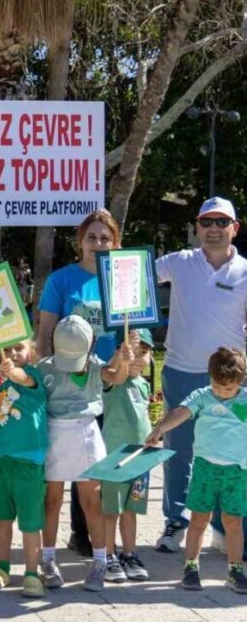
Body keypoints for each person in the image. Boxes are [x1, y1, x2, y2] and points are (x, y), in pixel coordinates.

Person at [154, 197, 247, 558]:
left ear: (234, 229)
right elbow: (131, 275)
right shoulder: (179, 261)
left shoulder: (245, 271)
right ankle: (175, 521)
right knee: (178, 451)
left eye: (221, 222)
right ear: (197, 227)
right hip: (180, 371)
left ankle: (225, 528)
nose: (213, 228)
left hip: (230, 383)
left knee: (230, 453)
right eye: (206, 221)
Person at [37, 209, 122, 558]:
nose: (97, 244)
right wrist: (44, 379)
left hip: (111, 379)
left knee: (97, 467)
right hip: (69, 385)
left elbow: (137, 330)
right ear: (80, 242)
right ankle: (76, 536)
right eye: (91, 237)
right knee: (66, 462)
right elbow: (44, 334)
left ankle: (100, 537)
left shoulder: (122, 281)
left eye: (105, 238)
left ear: (114, 243)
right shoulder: (61, 280)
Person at [37, 316, 132, 592]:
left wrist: (123, 360)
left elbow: (116, 377)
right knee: (51, 501)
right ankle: (48, 559)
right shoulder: (44, 367)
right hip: (54, 434)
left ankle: (101, 560)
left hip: (87, 434)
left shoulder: (93, 366)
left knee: (91, 501)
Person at [147, 346, 247, 594]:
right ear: (210, 377)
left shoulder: (245, 399)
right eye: (217, 386)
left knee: (233, 521)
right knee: (198, 519)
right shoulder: (202, 396)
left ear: (241, 380)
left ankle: (235, 570)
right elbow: (180, 412)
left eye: (229, 388)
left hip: (237, 471)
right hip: (205, 468)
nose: (223, 392)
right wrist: (160, 429)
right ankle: (191, 567)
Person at [0, 339, 49, 598]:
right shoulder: (2, 385)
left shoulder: (32, 376)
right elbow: (2, 421)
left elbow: (22, 378)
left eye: (19, 347)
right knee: (3, 517)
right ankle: (2, 567)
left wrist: (13, 372)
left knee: (30, 522)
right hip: (4, 459)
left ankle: (31, 573)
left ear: (32, 351)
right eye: (7, 349)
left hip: (29, 462)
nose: (12, 353)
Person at [100, 328, 155, 583]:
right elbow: (110, 372)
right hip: (115, 458)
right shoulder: (114, 380)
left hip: (140, 457)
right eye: (131, 353)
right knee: (111, 509)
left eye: (142, 353)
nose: (136, 358)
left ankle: (129, 553)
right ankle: (108, 555)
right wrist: (120, 355)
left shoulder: (144, 385)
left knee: (132, 508)